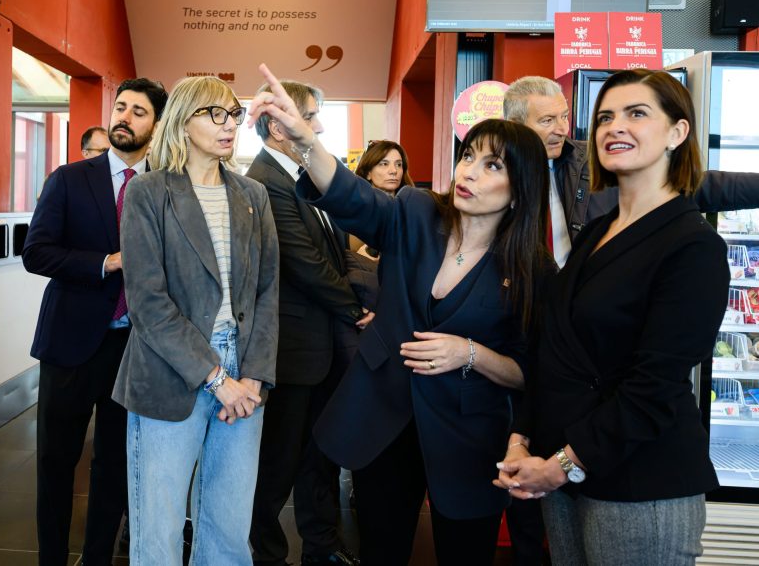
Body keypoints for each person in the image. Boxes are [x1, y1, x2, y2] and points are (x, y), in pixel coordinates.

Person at [248, 64, 555, 566]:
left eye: (492, 166)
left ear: (520, 187)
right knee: (381, 548)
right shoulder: (416, 211)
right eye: (468, 157)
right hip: (383, 418)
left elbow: (529, 370)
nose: (469, 173)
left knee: (464, 552)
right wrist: (304, 141)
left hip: (467, 432)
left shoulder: (530, 269)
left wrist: (470, 353)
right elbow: (351, 196)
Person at [497, 70, 730, 566]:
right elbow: (552, 352)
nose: (613, 127)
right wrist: (521, 441)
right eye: (604, 117)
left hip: (640, 482)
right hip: (565, 476)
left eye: (636, 114)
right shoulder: (596, 232)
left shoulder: (693, 246)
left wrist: (561, 466)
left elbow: (655, 387)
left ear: (677, 133)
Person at [112, 76, 279, 565]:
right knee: (158, 530)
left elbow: (267, 292)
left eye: (234, 114)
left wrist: (251, 377)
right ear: (184, 123)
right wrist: (217, 378)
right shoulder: (148, 192)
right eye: (215, 115)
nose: (230, 126)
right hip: (171, 370)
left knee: (229, 527)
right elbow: (148, 303)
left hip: (243, 371)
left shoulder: (253, 195)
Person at [23, 78, 168, 566]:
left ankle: (98, 556)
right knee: (56, 462)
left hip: (136, 347)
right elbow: (36, 252)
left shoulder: (165, 187)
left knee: (115, 464)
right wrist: (106, 262)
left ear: (158, 124)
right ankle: (51, 558)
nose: (124, 117)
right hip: (70, 342)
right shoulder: (69, 178)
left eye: (139, 111)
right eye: (120, 107)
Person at [246, 79, 369, 566]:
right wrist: (357, 309)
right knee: (277, 465)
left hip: (323, 345)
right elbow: (303, 262)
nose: (318, 126)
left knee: (320, 457)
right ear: (277, 128)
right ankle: (268, 554)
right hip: (291, 348)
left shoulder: (303, 175)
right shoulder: (264, 181)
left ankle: (322, 545)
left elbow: (336, 253)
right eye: (311, 115)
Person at [504, 75, 759, 267]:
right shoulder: (493, 172)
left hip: (584, 303)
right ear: (514, 125)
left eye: (564, 117)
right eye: (547, 121)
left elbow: (704, 185)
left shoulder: (599, 160)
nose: (562, 129)